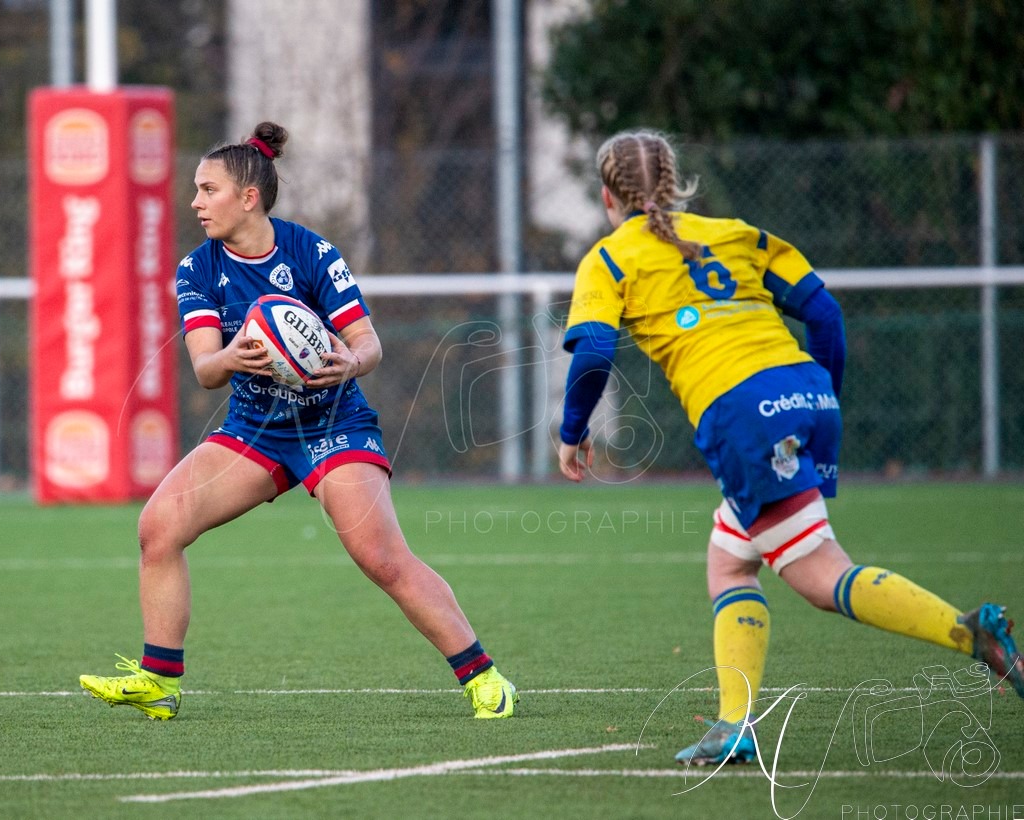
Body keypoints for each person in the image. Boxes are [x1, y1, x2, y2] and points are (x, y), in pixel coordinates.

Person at [556, 128, 1023, 765]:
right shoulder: (738, 233)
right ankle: (732, 727)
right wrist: (818, 400)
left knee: (818, 573)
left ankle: (970, 634)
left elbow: (594, 351)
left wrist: (571, 431)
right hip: (805, 389)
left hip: (743, 413)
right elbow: (824, 314)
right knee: (731, 558)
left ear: (608, 196)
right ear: (675, 181)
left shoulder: (610, 259)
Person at [79, 122, 517, 721]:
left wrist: (347, 363)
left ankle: (484, 676)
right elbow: (207, 369)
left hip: (334, 423)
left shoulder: (311, 252)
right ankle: (159, 680)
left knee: (381, 558)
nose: (196, 203)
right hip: (253, 431)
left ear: (248, 197)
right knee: (157, 529)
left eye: (208, 191)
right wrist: (232, 357)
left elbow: (368, 344)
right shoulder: (197, 269)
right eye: (196, 191)